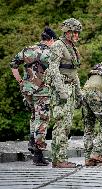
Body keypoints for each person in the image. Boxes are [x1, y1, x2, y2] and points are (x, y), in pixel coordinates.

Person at [10, 26, 57, 166]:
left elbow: (13, 65)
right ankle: (38, 154)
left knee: (34, 115)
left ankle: (31, 141)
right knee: (42, 120)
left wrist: (20, 81)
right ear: (51, 40)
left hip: (27, 90)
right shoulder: (50, 53)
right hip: (42, 91)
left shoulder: (27, 50)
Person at [47, 18, 83, 168]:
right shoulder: (58, 46)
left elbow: (73, 72)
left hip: (70, 87)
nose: (76, 35)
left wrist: (79, 93)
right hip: (61, 88)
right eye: (74, 32)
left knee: (66, 124)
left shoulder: (72, 47)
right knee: (62, 124)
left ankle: (59, 159)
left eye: (77, 32)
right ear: (66, 32)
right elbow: (54, 69)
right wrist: (61, 90)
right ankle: (60, 159)